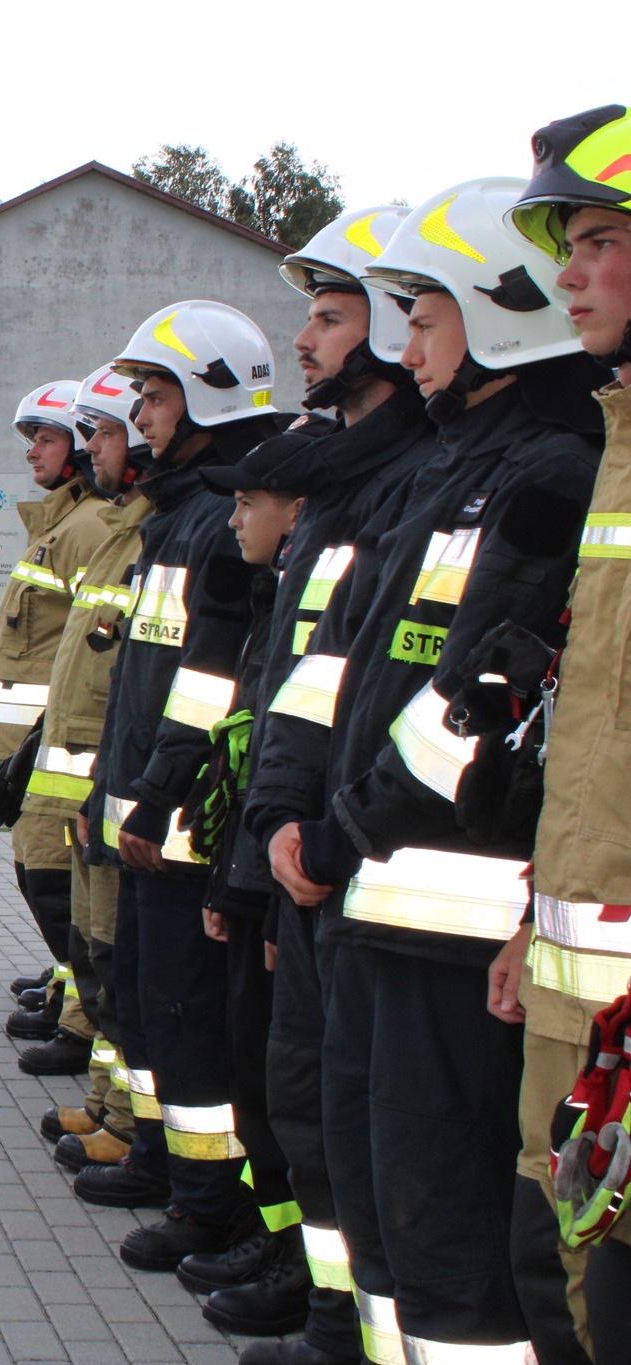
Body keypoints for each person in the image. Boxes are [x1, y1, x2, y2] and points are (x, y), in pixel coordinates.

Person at [275, 177, 600, 1364]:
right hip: (372, 902)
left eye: (421, 318)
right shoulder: (458, 471)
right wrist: (295, 819)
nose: (401, 345)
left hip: (442, 923)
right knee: (385, 1223)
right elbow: (351, 675)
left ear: (498, 317)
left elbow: (469, 711)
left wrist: (330, 832)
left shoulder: (546, 476)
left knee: (451, 1244)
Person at [226, 204, 437, 1365]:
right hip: (307, 850)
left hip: (364, 865)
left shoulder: (409, 485)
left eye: (328, 315)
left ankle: (346, 1326)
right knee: (309, 1107)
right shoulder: (350, 482)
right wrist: (270, 834)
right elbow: (300, 686)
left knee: (369, 1133)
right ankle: (327, 1314)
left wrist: (313, 836)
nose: (304, 340)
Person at [76, 301, 284, 1272]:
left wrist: (154, 794)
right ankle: (168, 1163)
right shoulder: (181, 520)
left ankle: (206, 1204)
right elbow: (139, 683)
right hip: (149, 810)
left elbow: (206, 683)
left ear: (203, 394)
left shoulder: (211, 526)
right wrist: (107, 793)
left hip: (185, 826)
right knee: (155, 1007)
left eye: (153, 395)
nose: (139, 412)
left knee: (188, 1022)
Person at [502, 103, 631, 1362]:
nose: (567, 273)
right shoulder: (612, 455)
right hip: (574, 1012)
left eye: (596, 238)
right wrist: (526, 919)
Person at [184, 434, 315, 1336]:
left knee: (283, 1090)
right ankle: (275, 1241)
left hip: (285, 874)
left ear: (295, 509)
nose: (233, 520)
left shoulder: (308, 590)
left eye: (248, 503)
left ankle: (296, 1265)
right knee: (257, 1072)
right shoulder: (275, 592)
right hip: (254, 861)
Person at [27, 363, 154, 1176]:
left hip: (118, 786)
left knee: (115, 955)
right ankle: (113, 1109)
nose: (87, 446)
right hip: (87, 780)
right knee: (98, 947)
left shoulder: (144, 534)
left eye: (102, 432)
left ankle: (135, 1130)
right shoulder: (116, 531)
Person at [0, 381, 113, 1070]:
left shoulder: (88, 528)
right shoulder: (63, 525)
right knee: (48, 875)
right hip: (40, 738)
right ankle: (69, 989)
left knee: (54, 877)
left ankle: (81, 1016)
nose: (32, 448)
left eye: (46, 436)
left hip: (62, 743)